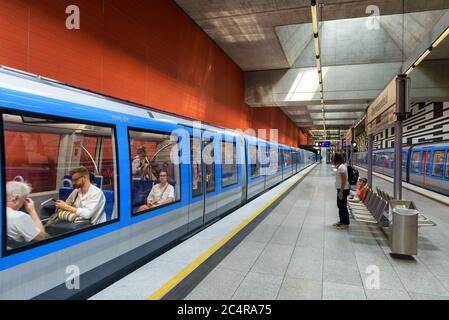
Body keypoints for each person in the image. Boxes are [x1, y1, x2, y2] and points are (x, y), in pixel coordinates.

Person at [333, 153, 351, 230]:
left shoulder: (341, 168)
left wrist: (341, 192)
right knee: (340, 205)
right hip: (341, 189)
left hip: (343, 189)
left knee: (342, 206)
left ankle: (345, 223)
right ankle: (341, 221)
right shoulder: (341, 166)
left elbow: (343, 181)